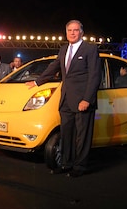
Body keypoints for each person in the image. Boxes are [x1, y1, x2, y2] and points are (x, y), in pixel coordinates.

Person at [26, 19, 101, 178]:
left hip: (82, 101)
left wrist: (87, 99)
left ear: (81, 32)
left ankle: (80, 166)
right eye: (69, 30)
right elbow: (53, 67)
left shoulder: (90, 49)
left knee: (82, 136)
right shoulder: (64, 49)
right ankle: (66, 163)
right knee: (66, 134)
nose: (72, 33)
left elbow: (95, 76)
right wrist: (37, 81)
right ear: (66, 33)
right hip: (66, 99)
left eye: (75, 30)